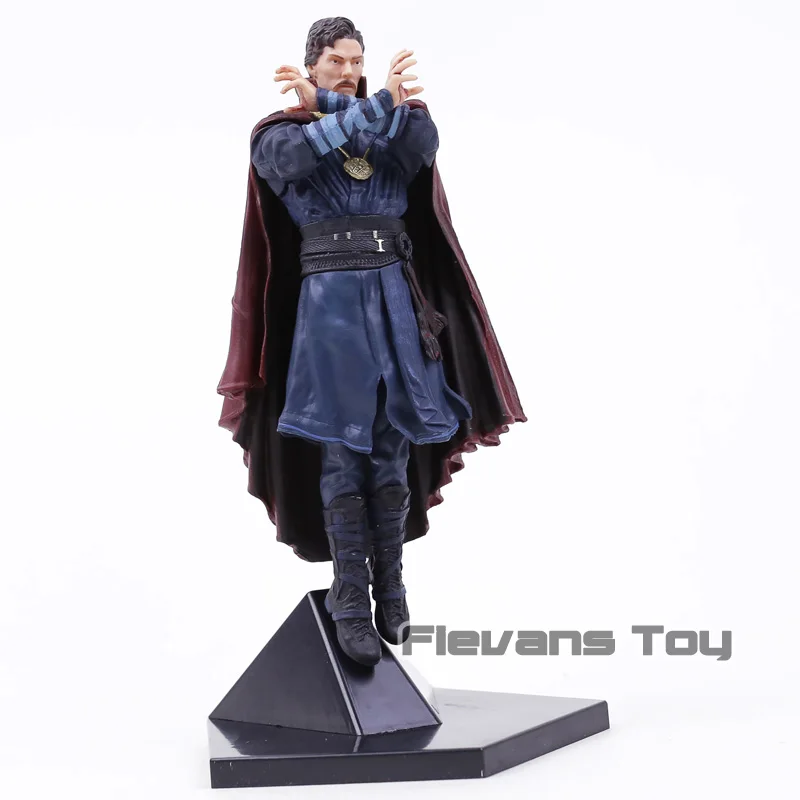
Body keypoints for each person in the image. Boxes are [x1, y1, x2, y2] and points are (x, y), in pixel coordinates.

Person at [217, 17, 526, 667]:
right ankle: (350, 597)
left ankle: (391, 583)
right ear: (310, 64)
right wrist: (347, 107)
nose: (350, 71)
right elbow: (292, 161)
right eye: (336, 62)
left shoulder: (390, 122)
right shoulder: (279, 133)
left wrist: (344, 104)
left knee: (391, 452)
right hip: (330, 309)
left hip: (395, 300)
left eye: (357, 61)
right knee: (342, 456)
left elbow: (421, 140)